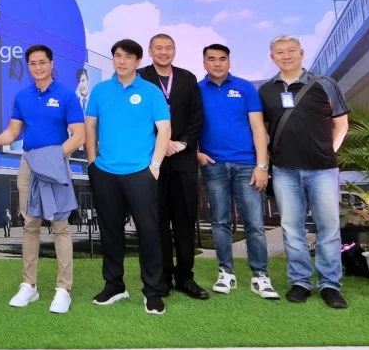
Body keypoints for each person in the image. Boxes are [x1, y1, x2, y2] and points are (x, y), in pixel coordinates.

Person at [259, 35, 351, 310]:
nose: (285, 56)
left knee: (328, 228)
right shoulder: (266, 91)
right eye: (279, 52)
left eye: (290, 51)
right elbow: (261, 127)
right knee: (292, 228)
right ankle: (300, 281)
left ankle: (330, 285)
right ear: (272, 57)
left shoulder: (325, 84)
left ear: (301, 53)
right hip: (285, 170)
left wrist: (330, 151)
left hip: (323, 169)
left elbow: (342, 123)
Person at [0, 44, 84, 314]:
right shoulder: (22, 97)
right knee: (30, 224)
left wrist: (54, 158)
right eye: (32, 63)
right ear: (28, 66)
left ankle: (63, 289)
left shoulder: (67, 96)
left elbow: (78, 135)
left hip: (56, 167)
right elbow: (12, 133)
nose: (38, 67)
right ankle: (29, 286)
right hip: (29, 164)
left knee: (60, 226)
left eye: (42, 62)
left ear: (51, 63)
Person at [85, 39, 171, 316]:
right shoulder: (100, 91)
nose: (121, 61)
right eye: (117, 56)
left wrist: (155, 165)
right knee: (110, 233)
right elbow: (90, 127)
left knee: (149, 233)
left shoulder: (150, 91)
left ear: (137, 61)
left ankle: (154, 291)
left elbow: (165, 130)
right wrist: (91, 163)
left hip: (140, 173)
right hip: (106, 172)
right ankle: (114, 285)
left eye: (128, 57)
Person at [197, 43, 279, 300]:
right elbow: (189, 126)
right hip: (214, 165)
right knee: (220, 222)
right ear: (204, 63)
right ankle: (226, 273)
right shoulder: (196, 90)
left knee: (254, 223)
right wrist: (196, 153)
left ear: (229, 62)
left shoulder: (245, 88)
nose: (217, 63)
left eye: (222, 59)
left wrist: (262, 165)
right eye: (212, 59)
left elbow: (258, 128)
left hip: (247, 165)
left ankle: (260, 276)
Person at [137, 34, 208, 300]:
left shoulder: (188, 78)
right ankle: (162, 277)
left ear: (174, 51)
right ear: (150, 51)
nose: (164, 52)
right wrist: (160, 143)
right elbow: (137, 117)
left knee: (184, 221)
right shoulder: (140, 77)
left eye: (168, 48)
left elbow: (197, 116)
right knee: (156, 221)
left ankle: (186, 277)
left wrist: (183, 143)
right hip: (153, 160)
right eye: (159, 48)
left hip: (183, 159)